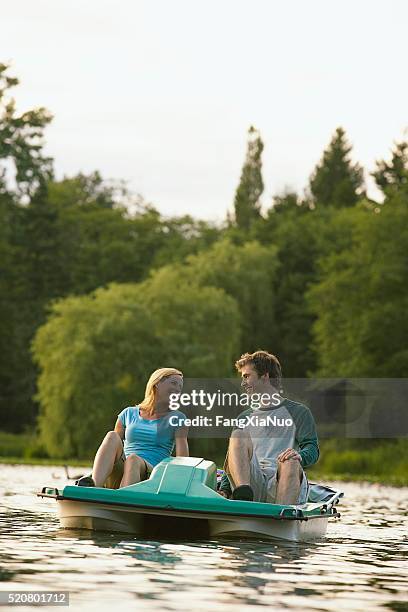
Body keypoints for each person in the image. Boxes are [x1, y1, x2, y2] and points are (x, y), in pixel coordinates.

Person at [218, 350, 319, 504]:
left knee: (290, 461)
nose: (243, 383)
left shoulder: (298, 412)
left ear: (265, 376)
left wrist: (300, 456)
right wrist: (225, 489)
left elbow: (312, 449)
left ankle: (282, 517)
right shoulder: (244, 417)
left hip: (284, 481)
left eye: (247, 376)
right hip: (254, 483)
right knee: (238, 435)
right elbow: (233, 458)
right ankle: (242, 499)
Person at [76, 368, 189, 488]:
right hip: (122, 469)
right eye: (174, 383)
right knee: (112, 436)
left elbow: (182, 460)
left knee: (133, 460)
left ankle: (123, 498)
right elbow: (113, 449)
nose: (177, 389)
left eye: (180, 387)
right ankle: (94, 486)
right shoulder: (128, 413)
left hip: (152, 475)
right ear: (157, 383)